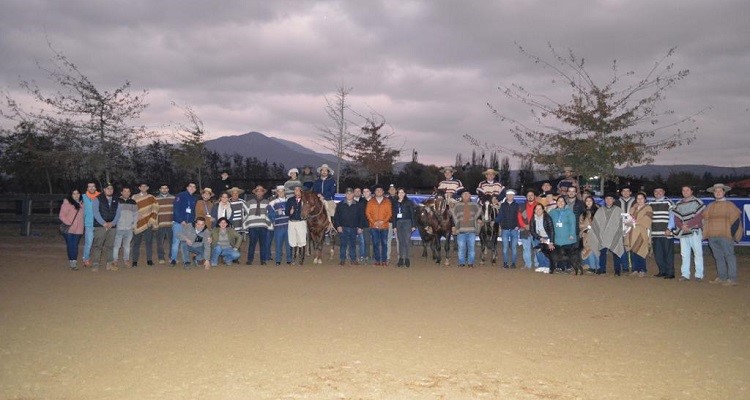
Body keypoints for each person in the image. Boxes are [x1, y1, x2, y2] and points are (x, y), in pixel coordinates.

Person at [703, 183, 742, 286]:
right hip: (712, 236)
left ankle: (732, 279)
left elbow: (736, 221)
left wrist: (730, 234)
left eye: (720, 191)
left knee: (729, 256)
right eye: (716, 191)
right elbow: (705, 220)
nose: (718, 193)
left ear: (724, 192)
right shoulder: (710, 206)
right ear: (713, 193)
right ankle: (722, 277)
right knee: (718, 257)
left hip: (725, 236)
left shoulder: (730, 205)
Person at [671, 185, 706, 282]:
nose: (685, 192)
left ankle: (699, 274)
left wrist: (688, 225)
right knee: (684, 253)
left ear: (691, 191)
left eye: (687, 190)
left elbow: (700, 216)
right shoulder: (678, 204)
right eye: (683, 190)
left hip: (694, 230)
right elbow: (676, 218)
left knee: (697, 253)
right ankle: (685, 274)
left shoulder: (697, 202)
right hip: (683, 231)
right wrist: (682, 226)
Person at [590, 193, 625, 275]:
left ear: (613, 200)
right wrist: (598, 235)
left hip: (614, 235)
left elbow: (622, 223)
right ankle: (602, 269)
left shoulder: (618, 210)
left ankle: (617, 270)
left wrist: (619, 233)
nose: (608, 200)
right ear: (604, 200)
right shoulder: (600, 210)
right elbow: (595, 223)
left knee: (616, 253)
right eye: (607, 199)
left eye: (610, 198)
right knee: (602, 253)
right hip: (602, 235)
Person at [91, 183, 120, 272]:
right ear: (104, 189)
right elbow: (95, 212)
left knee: (110, 246)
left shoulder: (116, 199)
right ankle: (95, 264)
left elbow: (118, 213)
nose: (110, 190)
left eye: (111, 188)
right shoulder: (97, 198)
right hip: (100, 226)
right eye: (108, 188)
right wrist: (103, 223)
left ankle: (109, 264)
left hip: (112, 226)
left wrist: (113, 223)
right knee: (97, 245)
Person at [334, 188, 366, 266]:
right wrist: (338, 226)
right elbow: (336, 217)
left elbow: (361, 217)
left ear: (353, 194)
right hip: (343, 227)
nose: (349, 195)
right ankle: (342, 259)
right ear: (345, 195)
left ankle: (353, 259)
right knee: (343, 244)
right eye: (347, 193)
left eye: (351, 193)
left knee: (353, 244)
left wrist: (360, 227)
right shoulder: (340, 205)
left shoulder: (358, 205)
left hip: (354, 228)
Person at [624, 192, 653, 277]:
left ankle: (642, 270)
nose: (640, 200)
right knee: (633, 251)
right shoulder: (633, 208)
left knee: (641, 250)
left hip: (642, 232)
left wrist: (636, 222)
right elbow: (628, 218)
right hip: (632, 232)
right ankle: (635, 269)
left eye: (641, 198)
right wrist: (628, 222)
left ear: (645, 199)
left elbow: (647, 219)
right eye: (638, 199)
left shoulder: (648, 208)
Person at [649, 187, 675, 279]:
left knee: (668, 253)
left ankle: (670, 272)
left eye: (660, 191)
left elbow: (673, 216)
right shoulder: (650, 203)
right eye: (656, 191)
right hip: (655, 233)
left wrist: (669, 228)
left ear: (664, 192)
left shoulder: (669, 202)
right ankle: (662, 271)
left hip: (666, 232)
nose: (658, 193)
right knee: (658, 254)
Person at [548, 196, 579, 274]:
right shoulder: (552, 212)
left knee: (567, 253)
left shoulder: (569, 212)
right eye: (559, 201)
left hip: (567, 236)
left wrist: (572, 234)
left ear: (565, 203)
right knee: (557, 252)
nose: (560, 203)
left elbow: (573, 223)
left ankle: (568, 267)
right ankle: (559, 267)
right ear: (556, 203)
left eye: (562, 201)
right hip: (556, 236)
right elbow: (547, 220)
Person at [451, 190, 482, 267]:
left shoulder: (475, 205)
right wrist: (453, 226)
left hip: (472, 230)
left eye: (467, 194)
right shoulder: (457, 205)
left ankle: (470, 263)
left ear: (470, 196)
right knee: (461, 248)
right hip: (461, 230)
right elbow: (453, 216)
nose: (466, 195)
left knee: (471, 248)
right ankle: (461, 263)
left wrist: (479, 219)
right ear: (461, 196)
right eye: (464, 194)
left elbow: (480, 212)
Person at [243, 185, 271, 265]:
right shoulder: (249, 202)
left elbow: (270, 213)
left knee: (263, 244)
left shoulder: (267, 202)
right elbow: (244, 210)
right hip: (252, 226)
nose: (259, 192)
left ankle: (263, 260)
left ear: (263, 193)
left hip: (263, 226)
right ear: (255, 193)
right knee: (252, 244)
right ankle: (250, 260)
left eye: (261, 191)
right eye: (257, 191)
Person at [131, 182, 158, 267]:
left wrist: (152, 219)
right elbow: (131, 208)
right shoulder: (134, 197)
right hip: (138, 223)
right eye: (142, 186)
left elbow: (156, 208)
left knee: (149, 242)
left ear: (147, 187)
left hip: (148, 223)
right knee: (136, 243)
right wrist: (136, 215)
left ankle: (149, 260)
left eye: (145, 186)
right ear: (139, 188)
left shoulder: (151, 197)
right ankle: (134, 261)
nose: (143, 188)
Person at [171, 182, 197, 266]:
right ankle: (173, 260)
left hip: (188, 224)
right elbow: (176, 209)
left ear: (195, 189)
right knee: (176, 241)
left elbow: (193, 212)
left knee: (186, 242)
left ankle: (186, 260)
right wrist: (181, 220)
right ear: (187, 187)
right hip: (179, 223)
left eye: (194, 187)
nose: (192, 188)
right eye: (190, 186)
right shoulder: (180, 195)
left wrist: (192, 223)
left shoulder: (194, 198)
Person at [366, 184, 392, 266]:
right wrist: (374, 222)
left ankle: (384, 260)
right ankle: (377, 260)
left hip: (384, 226)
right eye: (377, 190)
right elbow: (367, 213)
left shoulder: (387, 201)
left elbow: (389, 213)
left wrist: (383, 222)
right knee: (375, 244)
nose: (379, 192)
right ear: (375, 192)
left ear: (383, 192)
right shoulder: (371, 201)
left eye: (380, 190)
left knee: (384, 244)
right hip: (374, 226)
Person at [58, 188, 84, 270]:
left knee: (75, 245)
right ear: (71, 195)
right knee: (70, 245)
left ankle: (73, 261)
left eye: (77, 193)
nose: (76, 195)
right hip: (69, 229)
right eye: (74, 194)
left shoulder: (82, 204)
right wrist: (69, 222)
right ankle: (73, 262)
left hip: (79, 229)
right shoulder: (67, 203)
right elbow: (61, 215)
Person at [112, 187, 137, 269]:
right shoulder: (117, 201)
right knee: (116, 246)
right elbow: (113, 213)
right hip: (119, 228)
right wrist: (115, 224)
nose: (126, 193)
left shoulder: (133, 202)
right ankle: (115, 260)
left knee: (127, 246)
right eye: (125, 191)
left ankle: (126, 260)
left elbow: (136, 214)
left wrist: (134, 225)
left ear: (130, 193)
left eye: (128, 191)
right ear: (121, 192)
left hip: (129, 228)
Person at [268, 185, 293, 265]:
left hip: (288, 226)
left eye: (283, 191)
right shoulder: (272, 203)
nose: (281, 192)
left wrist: (292, 213)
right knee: (278, 245)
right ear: (277, 192)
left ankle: (289, 260)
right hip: (278, 227)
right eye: (279, 191)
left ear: (284, 192)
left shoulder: (289, 201)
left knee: (289, 244)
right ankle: (278, 260)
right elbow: (269, 213)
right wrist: (275, 215)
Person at [392, 188, 416, 268]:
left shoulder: (409, 202)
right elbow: (394, 215)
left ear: (405, 193)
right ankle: (401, 259)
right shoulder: (395, 202)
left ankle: (407, 258)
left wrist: (413, 225)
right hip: (398, 223)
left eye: (402, 192)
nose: (401, 194)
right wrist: (394, 226)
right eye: (399, 192)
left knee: (406, 241)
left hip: (407, 222)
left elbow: (412, 214)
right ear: (397, 194)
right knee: (400, 241)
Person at [496, 189, 520, 268]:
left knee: (514, 248)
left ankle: (513, 263)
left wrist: (518, 225)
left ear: (513, 196)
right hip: (505, 229)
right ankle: (505, 263)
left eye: (511, 195)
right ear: (506, 196)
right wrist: (494, 221)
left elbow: (519, 217)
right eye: (508, 195)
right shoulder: (502, 205)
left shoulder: (517, 206)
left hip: (514, 229)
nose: (509, 196)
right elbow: (500, 216)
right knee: (505, 248)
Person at [517, 189, 539, 269]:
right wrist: (524, 225)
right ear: (526, 197)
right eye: (528, 195)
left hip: (536, 231)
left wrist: (532, 226)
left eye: (531, 195)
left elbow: (541, 217)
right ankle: (527, 265)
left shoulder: (538, 206)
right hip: (524, 230)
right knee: (526, 249)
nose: (530, 197)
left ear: (535, 196)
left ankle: (537, 264)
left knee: (537, 249)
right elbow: (519, 217)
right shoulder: (522, 206)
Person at [286, 186, 307, 264]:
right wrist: (289, 212)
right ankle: (293, 258)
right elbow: (286, 211)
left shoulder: (304, 200)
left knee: (302, 240)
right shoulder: (290, 200)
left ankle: (301, 259)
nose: (297, 191)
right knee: (292, 240)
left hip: (301, 222)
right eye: (295, 190)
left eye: (298, 190)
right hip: (291, 222)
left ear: (301, 191)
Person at [529, 203, 554, 269]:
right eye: (536, 209)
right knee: (538, 252)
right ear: (534, 210)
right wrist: (540, 238)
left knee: (547, 253)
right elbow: (532, 231)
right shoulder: (532, 219)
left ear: (543, 210)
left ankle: (548, 266)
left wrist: (551, 242)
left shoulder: (547, 217)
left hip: (547, 237)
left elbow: (551, 230)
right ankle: (541, 265)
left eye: (540, 209)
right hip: (538, 238)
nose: (538, 210)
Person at [155, 184, 175, 264]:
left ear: (168, 189)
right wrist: (155, 223)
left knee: (171, 242)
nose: (164, 189)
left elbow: (175, 210)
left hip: (171, 224)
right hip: (160, 224)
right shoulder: (155, 199)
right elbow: (154, 212)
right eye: (162, 188)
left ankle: (171, 257)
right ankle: (161, 258)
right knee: (160, 242)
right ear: (160, 189)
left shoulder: (173, 198)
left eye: (166, 188)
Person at [81, 182, 100, 268]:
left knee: (99, 243)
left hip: (99, 224)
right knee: (89, 243)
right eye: (89, 187)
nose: (91, 188)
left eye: (93, 186)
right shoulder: (83, 197)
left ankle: (97, 259)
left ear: (96, 188)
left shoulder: (100, 196)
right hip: (88, 224)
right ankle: (86, 259)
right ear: (87, 188)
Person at [312, 164, 337, 228]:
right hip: (318, 200)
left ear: (328, 172)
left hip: (328, 199)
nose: (324, 172)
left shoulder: (332, 181)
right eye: (322, 170)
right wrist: (318, 195)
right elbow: (314, 190)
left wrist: (323, 196)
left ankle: (332, 227)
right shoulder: (317, 181)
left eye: (325, 170)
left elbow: (332, 191)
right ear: (320, 172)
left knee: (333, 211)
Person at [579, 196, 599, 272]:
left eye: (590, 201)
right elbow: (580, 225)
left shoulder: (597, 212)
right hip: (586, 235)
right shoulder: (583, 214)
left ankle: (597, 266)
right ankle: (591, 266)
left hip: (595, 235)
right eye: (587, 201)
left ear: (593, 202)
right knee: (587, 250)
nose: (588, 202)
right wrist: (586, 228)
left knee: (594, 250)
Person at [358, 187, 373, 264]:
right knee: (366, 242)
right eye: (364, 191)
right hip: (366, 225)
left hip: (374, 225)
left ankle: (375, 257)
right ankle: (367, 256)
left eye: (367, 191)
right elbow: (361, 216)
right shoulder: (361, 203)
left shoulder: (375, 201)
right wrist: (360, 227)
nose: (365, 193)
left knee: (375, 242)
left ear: (370, 192)